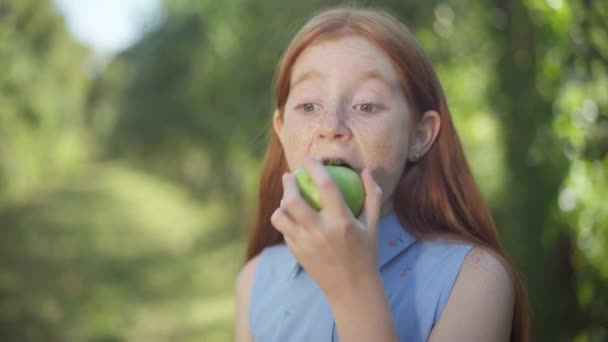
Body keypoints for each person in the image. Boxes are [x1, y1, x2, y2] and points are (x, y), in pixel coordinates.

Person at [234, 6, 530, 342]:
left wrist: (353, 287)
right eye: (308, 105)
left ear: (419, 135)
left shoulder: (476, 280)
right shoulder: (254, 281)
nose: (331, 126)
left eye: (366, 105)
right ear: (282, 131)